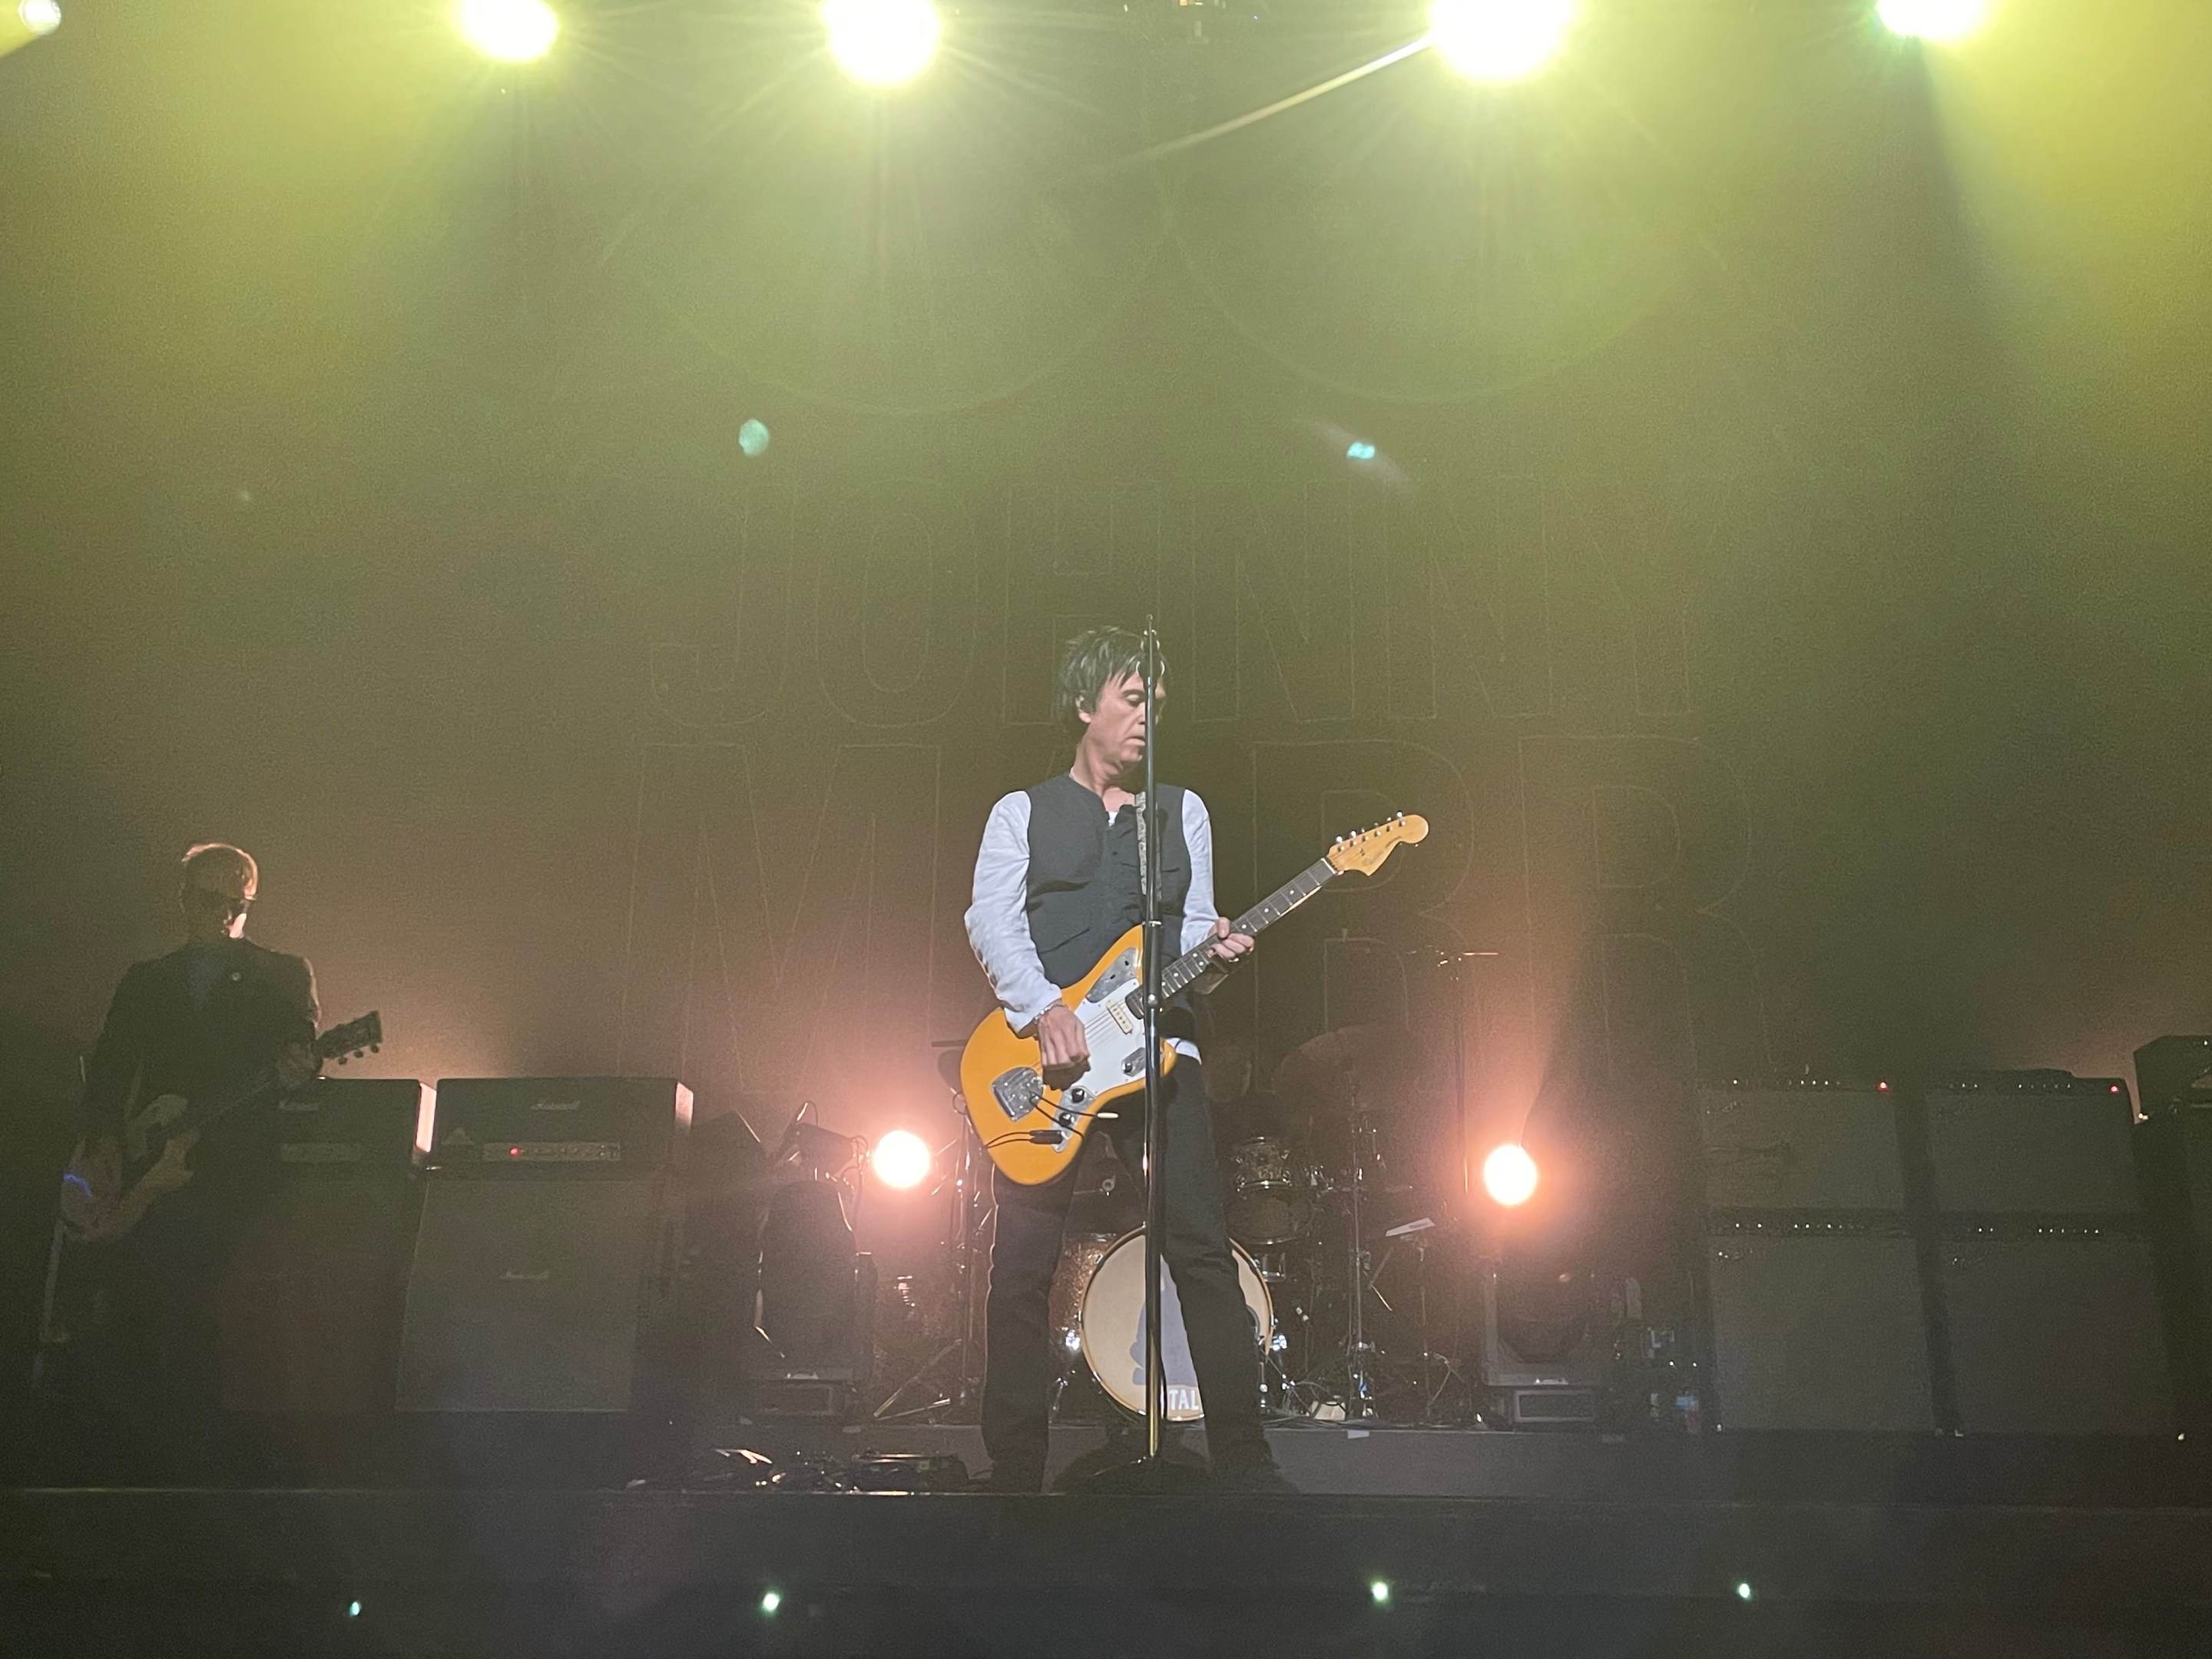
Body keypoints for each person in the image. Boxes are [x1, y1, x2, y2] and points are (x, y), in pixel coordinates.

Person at [964, 627, 1290, 1492]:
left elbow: (1189, 935)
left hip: (1161, 1053)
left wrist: (1213, 954)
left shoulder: (1181, 812)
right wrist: (1044, 1012)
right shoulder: (1020, 812)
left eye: (1158, 703)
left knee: (1202, 1252)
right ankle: (1016, 1470)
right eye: (1133, 698)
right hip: (1055, 1064)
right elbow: (990, 922)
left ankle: (1246, 1464)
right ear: (1086, 706)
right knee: (1022, 1268)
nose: (1151, 717)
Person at [58, 843, 320, 1477]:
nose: (228, 913)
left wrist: (298, 1072)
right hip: (153, 1163)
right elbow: (111, 1071)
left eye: (240, 902)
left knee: (209, 1305)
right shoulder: (147, 980)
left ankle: (204, 1464)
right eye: (212, 899)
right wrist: (106, 1147)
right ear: (184, 900)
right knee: (141, 1305)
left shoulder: (283, 973)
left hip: (236, 1164)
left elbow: (303, 1065)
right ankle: (137, 1457)